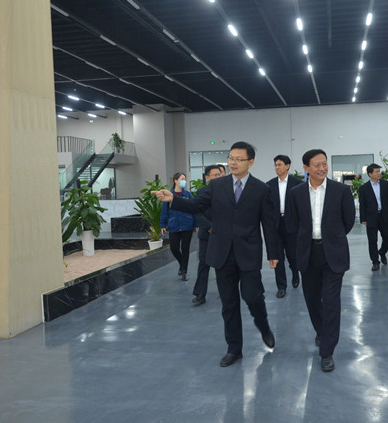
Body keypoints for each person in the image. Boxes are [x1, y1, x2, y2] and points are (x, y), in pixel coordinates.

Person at [152, 142, 279, 368]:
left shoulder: (261, 189)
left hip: (248, 253)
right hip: (222, 253)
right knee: (229, 304)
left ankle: (264, 327)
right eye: (231, 158)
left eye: (239, 159)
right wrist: (173, 199)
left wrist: (273, 252)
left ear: (250, 162)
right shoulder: (217, 185)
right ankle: (234, 349)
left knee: (253, 297)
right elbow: (197, 205)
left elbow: (269, 224)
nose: (233, 162)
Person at [286, 149, 355, 372]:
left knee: (331, 301)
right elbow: (292, 224)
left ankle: (327, 351)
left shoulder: (341, 191)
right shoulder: (296, 193)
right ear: (306, 168)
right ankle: (322, 331)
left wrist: (332, 238)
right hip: (308, 253)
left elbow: (348, 221)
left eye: (324, 164)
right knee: (312, 299)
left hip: (333, 253)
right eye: (317, 165)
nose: (322, 168)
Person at [267, 154, 301, 298]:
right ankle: (281, 286)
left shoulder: (297, 184)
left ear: (287, 166)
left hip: (292, 224)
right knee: (277, 257)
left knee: (293, 256)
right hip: (276, 225)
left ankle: (295, 273)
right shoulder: (269, 185)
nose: (277, 167)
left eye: (280, 164)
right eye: (275, 165)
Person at [358, 163, 388, 271]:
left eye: (379, 171)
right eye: (376, 172)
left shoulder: (386, 184)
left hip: (384, 215)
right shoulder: (364, 188)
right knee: (372, 240)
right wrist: (363, 219)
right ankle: (375, 262)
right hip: (371, 217)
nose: (378, 173)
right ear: (370, 174)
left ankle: (382, 252)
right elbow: (362, 205)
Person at [191, 164, 222, 305]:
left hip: (222, 234)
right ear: (207, 177)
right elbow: (197, 211)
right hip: (206, 234)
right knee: (203, 264)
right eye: (215, 175)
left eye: (219, 175)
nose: (218, 177)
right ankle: (200, 294)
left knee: (222, 264)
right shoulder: (201, 192)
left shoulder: (227, 192)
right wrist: (209, 226)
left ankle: (225, 291)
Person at [160, 172, 197, 281]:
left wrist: (196, 224)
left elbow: (194, 209)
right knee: (174, 248)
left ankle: (184, 270)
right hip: (173, 225)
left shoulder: (188, 195)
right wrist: (163, 225)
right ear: (175, 181)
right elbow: (164, 211)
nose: (184, 181)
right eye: (182, 179)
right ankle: (182, 264)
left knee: (185, 249)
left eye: (185, 179)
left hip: (187, 225)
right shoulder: (169, 194)